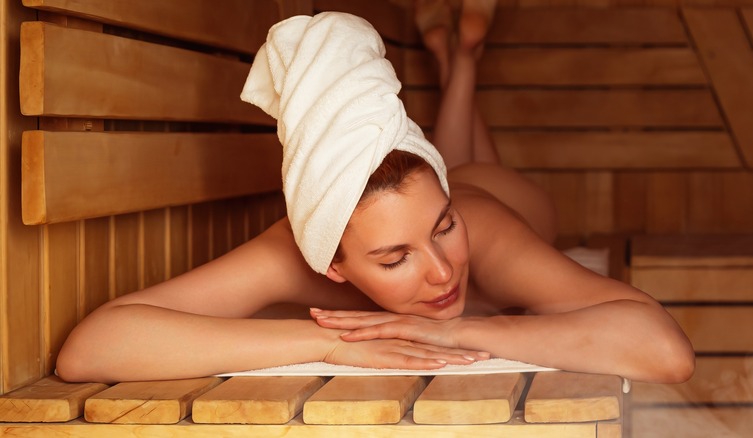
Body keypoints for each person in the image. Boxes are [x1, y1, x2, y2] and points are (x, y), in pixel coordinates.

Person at [55, 2, 694, 385]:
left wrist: (457, 331)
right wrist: (329, 342)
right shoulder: (295, 249)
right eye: (394, 260)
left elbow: (662, 349)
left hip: (506, 200)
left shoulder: (486, 233)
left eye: (443, 229)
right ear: (330, 263)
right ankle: (459, 55)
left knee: (470, 176)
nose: (443, 272)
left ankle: (459, 63)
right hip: (447, 183)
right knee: (455, 171)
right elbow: (92, 348)